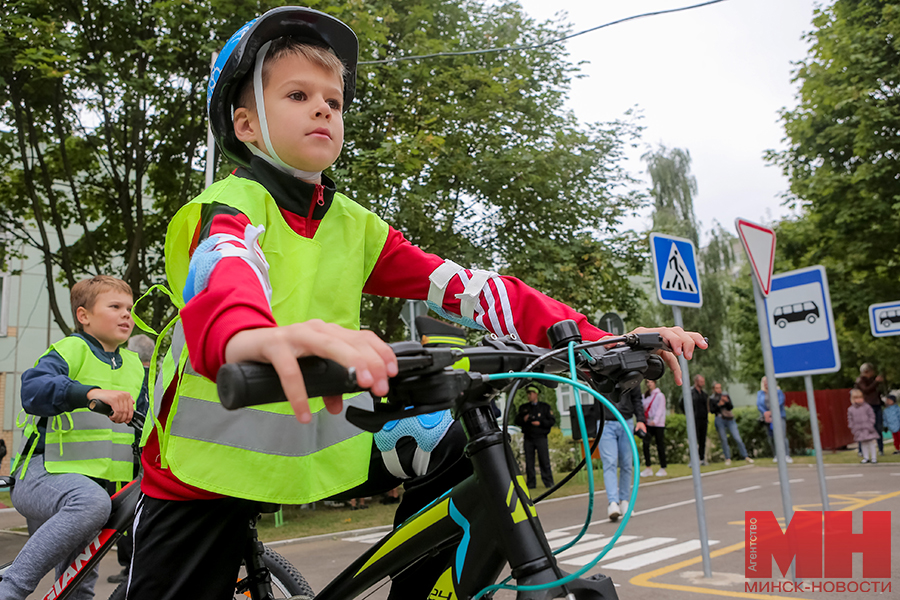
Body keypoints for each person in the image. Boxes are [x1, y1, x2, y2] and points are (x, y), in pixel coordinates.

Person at [125, 8, 707, 599]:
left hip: (317, 446)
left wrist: (596, 338)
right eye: (298, 94)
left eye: (335, 100)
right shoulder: (227, 206)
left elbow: (466, 288)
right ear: (246, 125)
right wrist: (247, 333)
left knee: (464, 442)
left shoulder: (353, 225)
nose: (325, 108)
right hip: (204, 474)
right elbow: (225, 265)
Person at [0, 276, 145, 600]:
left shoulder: (135, 367)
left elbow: (147, 426)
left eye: (130, 308)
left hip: (93, 488)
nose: (127, 315)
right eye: (115, 307)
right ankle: (8, 590)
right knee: (91, 504)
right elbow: (33, 389)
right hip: (43, 475)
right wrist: (91, 393)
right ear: (84, 316)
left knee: (79, 579)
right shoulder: (72, 348)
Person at [106, 334, 154, 584]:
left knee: (127, 510)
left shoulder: (127, 378)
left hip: (127, 454)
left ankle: (129, 566)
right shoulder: (160, 377)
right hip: (152, 455)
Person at [601, 386, 646, 521]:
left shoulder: (629, 369)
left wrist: (640, 419)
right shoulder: (601, 369)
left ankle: (624, 501)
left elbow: (637, 398)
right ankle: (613, 503)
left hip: (626, 420)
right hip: (606, 420)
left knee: (626, 463)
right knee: (610, 462)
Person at [515, 385, 556, 489]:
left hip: (541, 437)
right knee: (529, 462)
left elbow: (551, 421)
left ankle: (548, 482)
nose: (529, 396)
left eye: (531, 394)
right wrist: (524, 419)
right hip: (529, 437)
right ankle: (531, 483)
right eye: (528, 394)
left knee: (544, 460)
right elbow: (516, 421)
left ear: (536, 394)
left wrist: (541, 423)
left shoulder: (544, 407)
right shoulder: (524, 408)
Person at [709, 382, 752, 465]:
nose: (719, 390)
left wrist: (726, 402)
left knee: (737, 437)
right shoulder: (712, 398)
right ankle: (727, 458)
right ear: (714, 389)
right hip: (720, 418)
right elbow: (712, 410)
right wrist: (719, 405)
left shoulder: (725, 395)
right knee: (724, 439)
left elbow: (731, 407)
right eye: (717, 388)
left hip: (729, 418)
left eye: (720, 387)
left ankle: (745, 456)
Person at [756, 376, 792, 462]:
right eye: (764, 382)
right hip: (767, 418)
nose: (766, 383)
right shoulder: (760, 393)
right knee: (771, 437)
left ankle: (786, 455)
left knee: (782, 435)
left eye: (767, 381)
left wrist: (771, 412)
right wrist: (765, 413)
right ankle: (776, 455)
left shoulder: (778, 392)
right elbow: (759, 404)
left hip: (779, 416)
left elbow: (780, 402)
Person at [640, 380, 667, 477]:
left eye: (651, 382)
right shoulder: (645, 396)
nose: (649, 384)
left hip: (658, 424)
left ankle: (663, 467)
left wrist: (655, 420)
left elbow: (660, 409)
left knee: (660, 445)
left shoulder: (660, 396)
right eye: (647, 382)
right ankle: (648, 467)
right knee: (645, 444)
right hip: (648, 423)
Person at [855, 363, 885, 455]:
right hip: (867, 406)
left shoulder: (872, 380)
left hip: (876, 404)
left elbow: (876, 392)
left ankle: (880, 449)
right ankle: (861, 450)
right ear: (867, 371)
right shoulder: (860, 380)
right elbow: (866, 390)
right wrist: (876, 382)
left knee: (878, 427)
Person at [847, 388, 878, 464]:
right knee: (863, 443)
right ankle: (866, 457)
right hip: (858, 429)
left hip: (868, 428)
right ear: (853, 399)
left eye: (860, 398)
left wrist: (870, 424)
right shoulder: (851, 409)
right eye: (857, 398)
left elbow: (872, 416)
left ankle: (874, 457)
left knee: (871, 443)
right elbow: (850, 419)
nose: (859, 400)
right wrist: (853, 427)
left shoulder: (867, 407)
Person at [690, 374, 710, 465]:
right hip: (694, 419)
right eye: (701, 381)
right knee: (694, 439)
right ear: (696, 381)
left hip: (703, 419)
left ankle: (702, 459)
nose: (703, 383)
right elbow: (682, 403)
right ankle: (693, 459)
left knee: (702, 440)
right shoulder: (690, 392)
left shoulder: (704, 394)